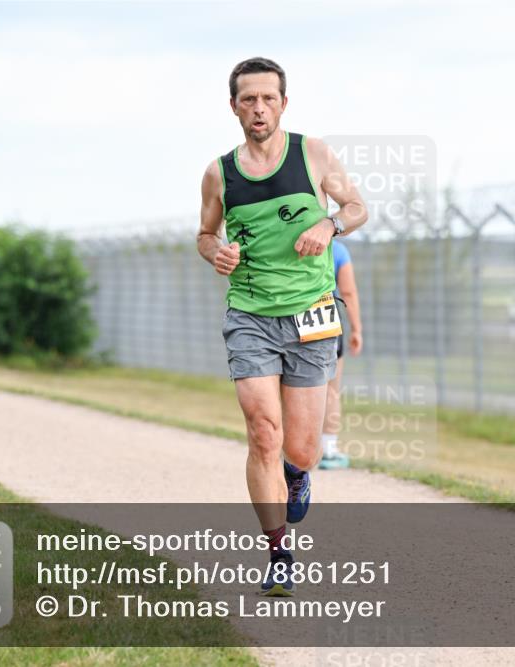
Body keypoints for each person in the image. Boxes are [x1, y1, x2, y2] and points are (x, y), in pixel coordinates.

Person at [196, 57, 368, 597]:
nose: (259, 108)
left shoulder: (312, 154)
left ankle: (298, 474)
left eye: (268, 98)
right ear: (234, 107)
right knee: (261, 431)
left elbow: (357, 206)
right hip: (250, 315)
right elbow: (204, 233)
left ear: (283, 104)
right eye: (248, 99)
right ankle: (278, 551)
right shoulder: (218, 172)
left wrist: (329, 222)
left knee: (302, 448)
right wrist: (215, 252)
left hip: (313, 314)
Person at [319, 239, 363, 469]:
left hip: (285, 310)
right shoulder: (337, 249)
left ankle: (289, 446)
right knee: (331, 388)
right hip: (324, 313)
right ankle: (328, 449)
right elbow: (348, 291)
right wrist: (356, 329)